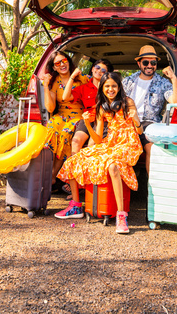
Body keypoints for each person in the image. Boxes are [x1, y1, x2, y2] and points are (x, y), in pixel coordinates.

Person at [55, 72, 143, 234]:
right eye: (107, 86)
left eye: (114, 86)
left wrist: (136, 120)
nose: (110, 89)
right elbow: (97, 139)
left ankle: (121, 216)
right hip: (110, 144)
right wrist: (88, 124)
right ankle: (76, 206)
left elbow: (139, 131)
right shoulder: (101, 107)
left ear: (119, 87)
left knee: (112, 165)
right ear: (102, 88)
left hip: (129, 144)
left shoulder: (127, 102)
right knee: (74, 160)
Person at [122, 45, 177, 174]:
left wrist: (173, 78)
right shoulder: (128, 81)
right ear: (139, 63)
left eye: (153, 62)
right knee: (119, 147)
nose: (149, 65)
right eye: (145, 62)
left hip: (150, 124)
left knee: (151, 147)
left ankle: (152, 189)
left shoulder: (162, 83)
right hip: (127, 122)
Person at [61, 59, 113, 198]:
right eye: (97, 67)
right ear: (92, 69)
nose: (99, 71)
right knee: (76, 141)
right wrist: (72, 76)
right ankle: (75, 185)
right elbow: (65, 97)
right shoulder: (84, 87)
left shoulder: (108, 87)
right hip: (87, 119)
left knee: (92, 146)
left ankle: (86, 183)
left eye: (104, 70)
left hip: (104, 120)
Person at [42, 50, 89, 189]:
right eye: (58, 63)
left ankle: (53, 175)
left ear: (68, 61)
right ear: (54, 67)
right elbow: (50, 109)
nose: (62, 64)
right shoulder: (54, 82)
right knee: (50, 129)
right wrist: (46, 86)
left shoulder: (82, 78)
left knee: (65, 133)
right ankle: (45, 173)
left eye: (64, 60)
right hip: (61, 115)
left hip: (78, 116)